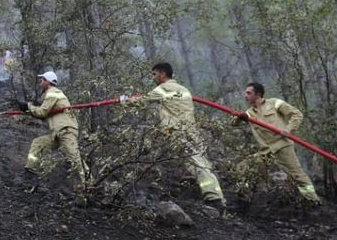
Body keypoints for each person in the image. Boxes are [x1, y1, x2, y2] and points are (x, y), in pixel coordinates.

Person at [120, 62, 226, 205]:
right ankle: (218, 197)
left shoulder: (163, 89)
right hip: (191, 131)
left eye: (154, 74)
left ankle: (214, 197)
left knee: (195, 164)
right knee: (202, 163)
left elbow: (141, 101)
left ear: (163, 74)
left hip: (177, 132)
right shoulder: (184, 90)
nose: (153, 78)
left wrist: (124, 100)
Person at [241, 82, 319, 203]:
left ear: (258, 94)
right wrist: (239, 117)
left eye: (249, 93)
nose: (245, 95)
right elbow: (234, 122)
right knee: (244, 167)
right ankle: (244, 198)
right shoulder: (249, 113)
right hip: (266, 151)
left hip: (282, 145)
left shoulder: (274, 103)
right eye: (245, 93)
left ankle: (313, 200)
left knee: (297, 174)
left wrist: (288, 130)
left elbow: (297, 114)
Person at [20, 70, 89, 183]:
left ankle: (90, 183)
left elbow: (42, 112)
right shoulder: (52, 95)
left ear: (48, 81)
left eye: (42, 80)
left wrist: (28, 107)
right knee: (38, 143)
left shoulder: (53, 92)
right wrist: (29, 110)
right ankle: (31, 169)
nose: (40, 82)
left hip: (65, 130)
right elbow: (44, 115)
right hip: (57, 132)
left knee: (75, 157)